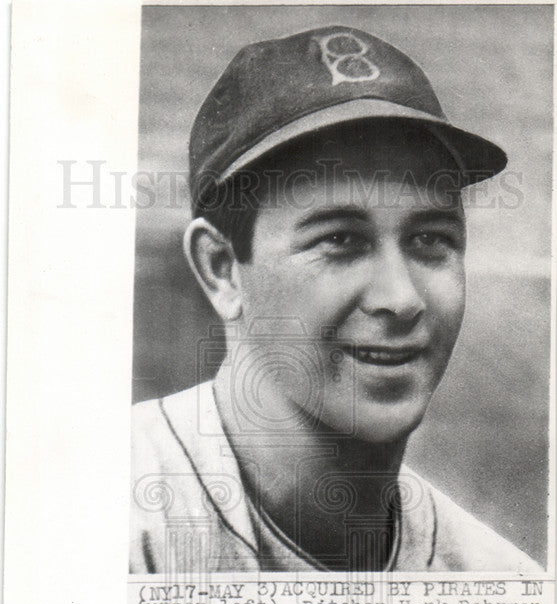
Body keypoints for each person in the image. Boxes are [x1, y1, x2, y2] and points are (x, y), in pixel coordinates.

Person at [130, 24, 540, 574]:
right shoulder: (90, 515)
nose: (401, 299)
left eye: (430, 240)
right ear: (222, 269)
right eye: (340, 240)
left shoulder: (504, 586)